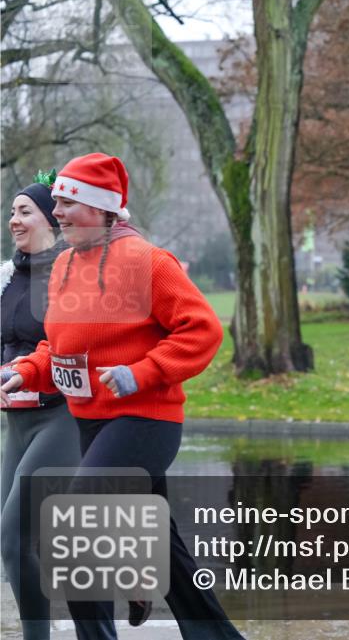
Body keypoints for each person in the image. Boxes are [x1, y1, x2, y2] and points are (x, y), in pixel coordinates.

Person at [0, 153, 246, 639]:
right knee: (164, 549)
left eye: (69, 203)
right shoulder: (66, 264)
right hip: (91, 422)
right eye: (58, 203)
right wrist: (26, 371)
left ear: (100, 208)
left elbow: (202, 330)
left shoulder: (147, 261)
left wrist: (143, 372)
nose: (59, 213)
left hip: (145, 421)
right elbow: (60, 345)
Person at [1, 174, 81, 640]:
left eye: (24, 211)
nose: (14, 220)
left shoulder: (71, 275)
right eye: (12, 212)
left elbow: (70, 346)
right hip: (17, 421)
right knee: (13, 542)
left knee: (14, 535)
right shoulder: (6, 277)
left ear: (51, 219)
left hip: (62, 415)